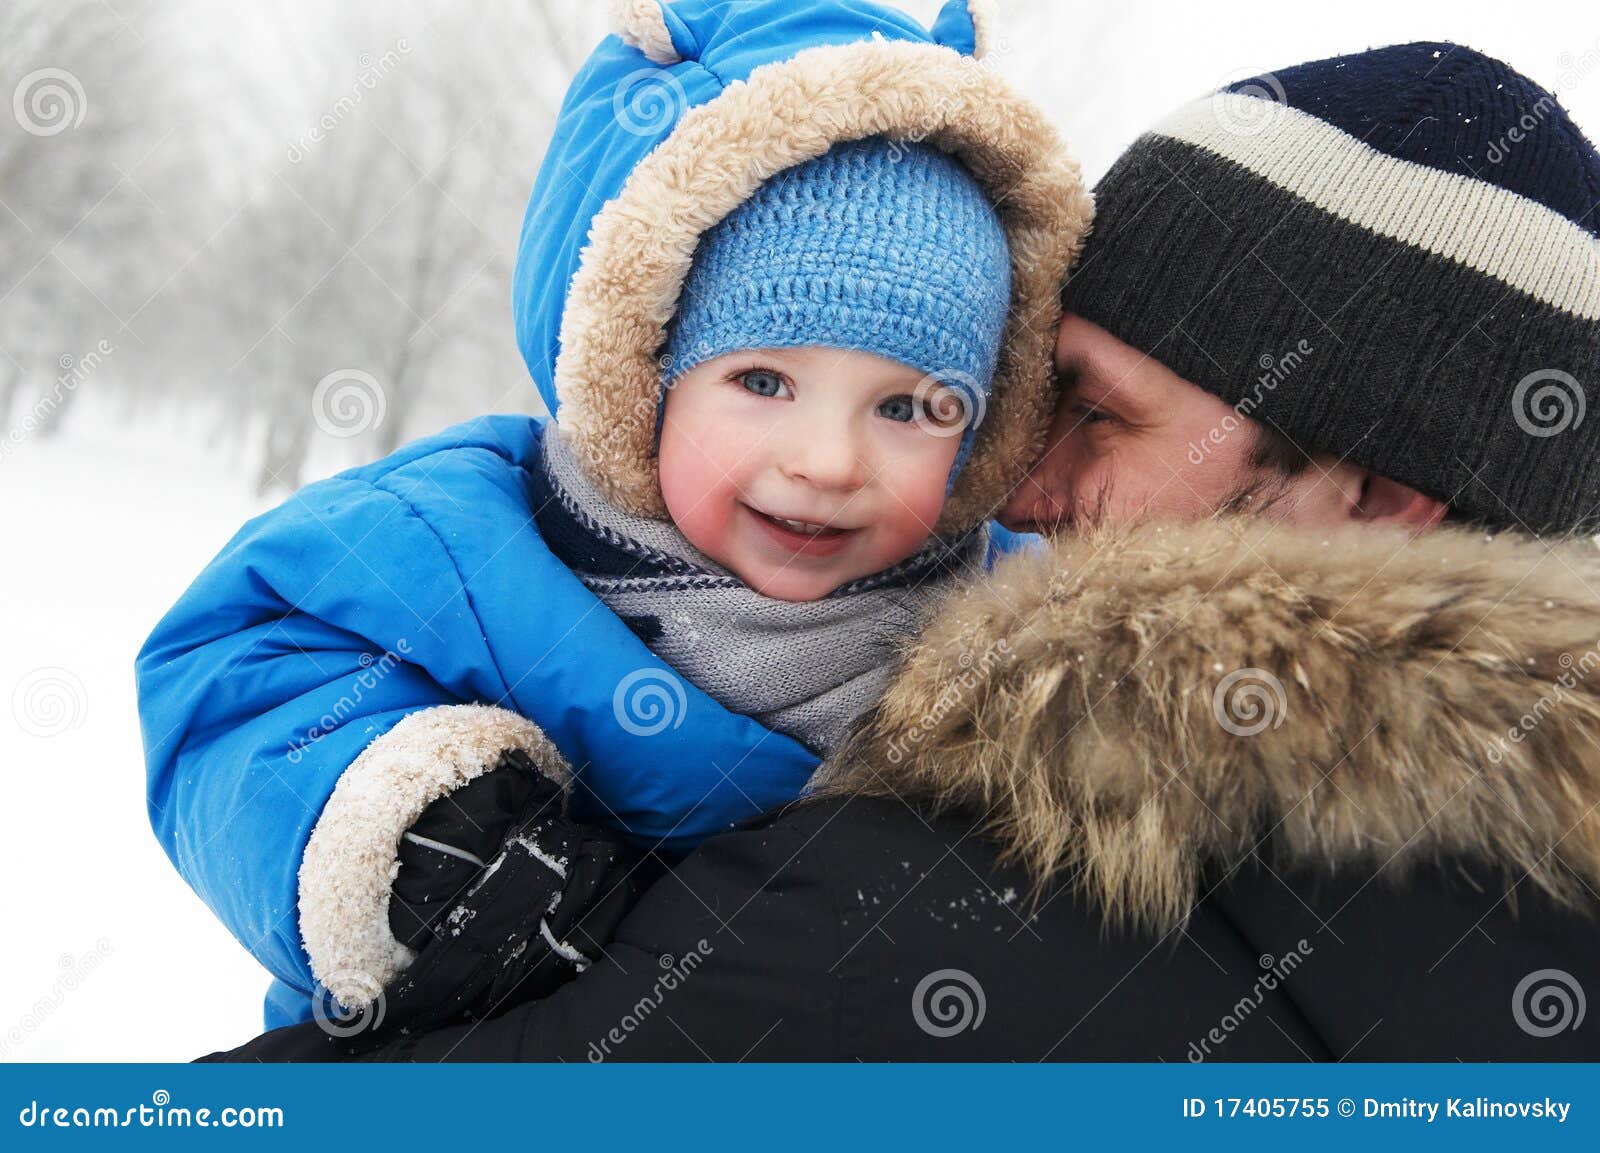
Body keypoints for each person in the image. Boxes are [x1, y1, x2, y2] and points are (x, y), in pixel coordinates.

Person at [207, 39, 1600, 1062]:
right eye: (1017, 398)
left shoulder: (963, 906)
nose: (1015, 479)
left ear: (1378, 500)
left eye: (1099, 415)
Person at [136, 0, 1087, 1032]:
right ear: (639, 367)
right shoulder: (474, 538)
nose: (827, 462)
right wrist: (402, 826)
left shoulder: (1017, 627)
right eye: (763, 380)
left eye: (907, 408)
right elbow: (240, 691)